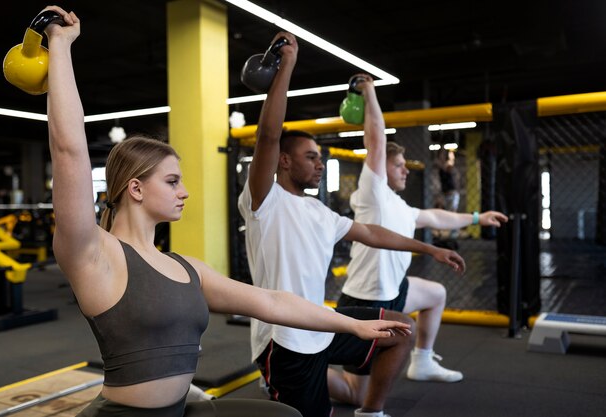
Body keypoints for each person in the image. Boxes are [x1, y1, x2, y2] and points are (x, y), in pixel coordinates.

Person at [42, 7, 412, 417]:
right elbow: (69, 150)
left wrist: (353, 326)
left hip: (183, 407)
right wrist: (60, 47)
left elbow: (272, 301)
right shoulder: (95, 255)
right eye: (171, 182)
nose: (185, 192)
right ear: (135, 189)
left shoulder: (186, 269)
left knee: (285, 415)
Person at [237, 33, 465, 417]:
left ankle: (370, 412)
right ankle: (274, 381)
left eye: (320, 157)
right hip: (284, 339)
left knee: (398, 330)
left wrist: (430, 247)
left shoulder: (320, 213)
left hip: (321, 325)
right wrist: (287, 66)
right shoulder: (265, 202)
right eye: (311, 157)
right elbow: (269, 135)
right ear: (284, 162)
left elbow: (372, 233)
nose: (320, 163)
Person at [337, 75, 508, 390]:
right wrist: (370, 92)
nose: (405, 169)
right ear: (380, 168)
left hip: (395, 292)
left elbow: (433, 216)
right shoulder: (373, 194)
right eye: (398, 164)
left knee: (435, 294)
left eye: (404, 164)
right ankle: (288, 369)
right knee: (355, 395)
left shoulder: (400, 206)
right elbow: (375, 137)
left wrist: (476, 217)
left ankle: (423, 360)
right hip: (364, 300)